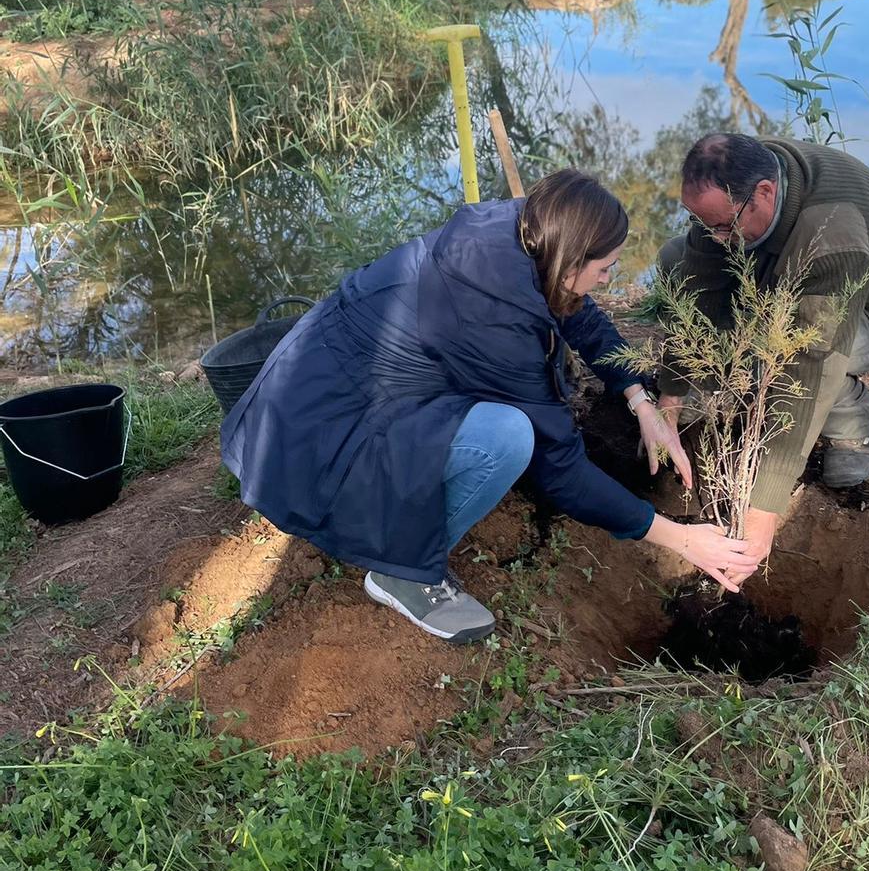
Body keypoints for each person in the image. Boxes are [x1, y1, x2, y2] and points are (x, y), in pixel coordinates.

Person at [221, 169, 749, 643]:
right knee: (509, 438)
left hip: (323, 390)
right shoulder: (493, 314)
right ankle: (402, 573)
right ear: (569, 260)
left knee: (508, 424)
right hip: (318, 436)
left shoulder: (521, 233)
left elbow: (577, 315)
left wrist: (640, 398)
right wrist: (680, 538)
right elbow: (559, 469)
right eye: (605, 268)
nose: (609, 279)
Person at [656, 132, 869, 588]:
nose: (717, 237)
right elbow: (697, 288)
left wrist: (762, 511)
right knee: (678, 257)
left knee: (777, 358)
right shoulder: (738, 182)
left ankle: (856, 424)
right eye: (705, 222)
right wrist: (669, 400)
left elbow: (812, 363)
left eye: (726, 226)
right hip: (792, 282)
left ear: (765, 194)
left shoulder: (835, 230)